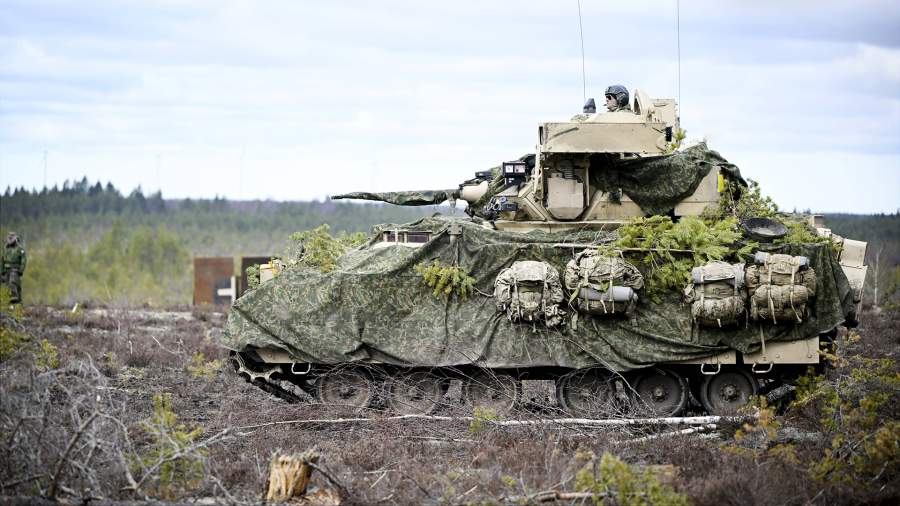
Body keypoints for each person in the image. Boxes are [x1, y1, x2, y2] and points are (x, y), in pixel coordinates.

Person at [1, 231, 27, 304]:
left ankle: (14, 297)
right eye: (9, 238)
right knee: (10, 286)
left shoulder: (20, 249)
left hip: (15, 269)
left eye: (11, 238)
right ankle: (17, 302)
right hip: (6, 269)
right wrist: (2, 270)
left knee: (12, 282)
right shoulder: (6, 248)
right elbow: (2, 260)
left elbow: (23, 260)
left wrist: (21, 270)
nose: (10, 239)